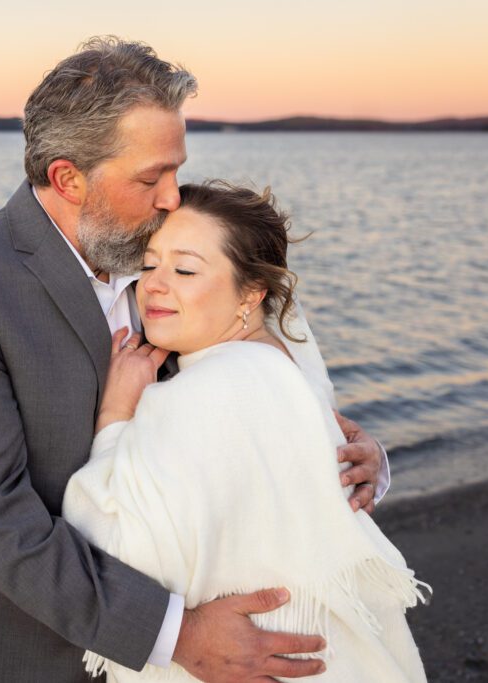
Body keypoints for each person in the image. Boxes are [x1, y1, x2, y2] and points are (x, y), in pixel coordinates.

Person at [0, 37, 390, 682]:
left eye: (176, 168)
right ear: (68, 177)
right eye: (151, 177)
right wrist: (173, 635)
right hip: (15, 649)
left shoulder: (180, 245)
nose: (174, 197)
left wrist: (349, 458)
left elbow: (262, 382)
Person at [63, 181, 428, 682]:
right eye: (149, 265)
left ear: (251, 293)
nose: (152, 285)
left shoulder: (205, 393)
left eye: (185, 269)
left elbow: (111, 550)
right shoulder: (280, 364)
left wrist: (115, 416)